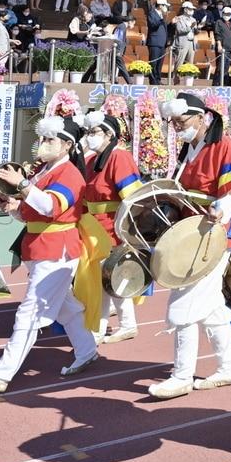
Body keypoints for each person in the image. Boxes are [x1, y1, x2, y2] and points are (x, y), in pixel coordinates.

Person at [0, 117, 99, 392]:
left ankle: (2, 375)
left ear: (67, 145)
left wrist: (23, 185)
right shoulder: (47, 171)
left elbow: (50, 207)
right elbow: (32, 213)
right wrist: (11, 206)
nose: (44, 144)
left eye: (50, 140)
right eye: (44, 138)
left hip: (56, 251)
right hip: (41, 248)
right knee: (67, 308)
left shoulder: (69, 174)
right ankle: (87, 351)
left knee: (30, 313)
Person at [150, 93, 231, 398]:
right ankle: (229, 368)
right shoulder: (189, 149)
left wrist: (221, 209)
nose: (177, 127)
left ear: (202, 117)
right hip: (189, 236)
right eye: (173, 122)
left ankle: (181, 376)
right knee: (214, 311)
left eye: (181, 121)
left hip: (210, 238)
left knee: (183, 305)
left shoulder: (224, 146)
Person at [78, 110, 143, 342]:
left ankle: (118, 325)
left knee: (111, 277)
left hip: (113, 228)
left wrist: (127, 232)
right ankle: (105, 326)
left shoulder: (119, 157)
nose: (89, 136)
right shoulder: (90, 160)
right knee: (102, 280)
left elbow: (133, 198)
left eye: (94, 132)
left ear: (109, 134)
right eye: (88, 132)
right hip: (93, 230)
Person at [145, 0, 170, 85]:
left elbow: (165, 28)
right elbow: (153, 25)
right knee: (153, 62)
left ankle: (158, 79)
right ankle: (153, 80)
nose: (165, 7)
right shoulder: (152, 13)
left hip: (162, 42)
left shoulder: (161, 16)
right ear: (160, 5)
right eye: (164, 5)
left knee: (160, 63)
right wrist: (162, 19)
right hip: (154, 41)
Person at [212, 6, 231, 86]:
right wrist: (219, 45)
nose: (227, 15)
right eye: (225, 13)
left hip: (229, 49)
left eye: (229, 14)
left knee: (226, 68)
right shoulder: (219, 22)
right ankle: (216, 84)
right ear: (222, 13)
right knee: (220, 67)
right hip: (222, 48)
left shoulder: (230, 23)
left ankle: (224, 84)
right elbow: (217, 34)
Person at [172, 2, 198, 71]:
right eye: (190, 9)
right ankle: (176, 79)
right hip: (182, 42)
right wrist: (190, 27)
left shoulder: (193, 19)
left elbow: (195, 32)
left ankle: (188, 80)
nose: (192, 11)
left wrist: (198, 28)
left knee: (190, 64)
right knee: (179, 62)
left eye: (192, 9)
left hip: (191, 43)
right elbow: (180, 30)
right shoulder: (179, 18)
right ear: (185, 9)